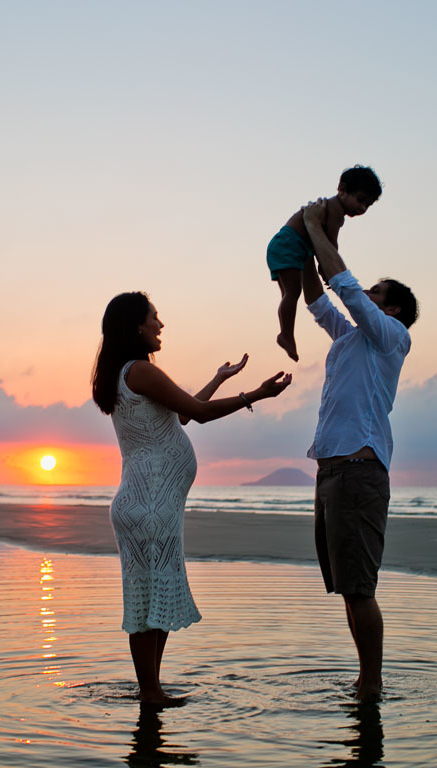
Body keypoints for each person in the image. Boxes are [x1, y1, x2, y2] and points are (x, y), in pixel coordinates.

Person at [92, 291, 292, 706]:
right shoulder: (141, 371)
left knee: (154, 599)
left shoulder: (129, 374)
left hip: (148, 504)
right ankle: (150, 692)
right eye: (154, 317)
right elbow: (198, 414)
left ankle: (153, 691)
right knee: (149, 601)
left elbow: (182, 413)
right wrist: (255, 395)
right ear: (136, 326)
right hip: (149, 504)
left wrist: (221, 377)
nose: (160, 325)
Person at [299, 199, 418, 702]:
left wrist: (315, 226)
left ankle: (372, 685)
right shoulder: (350, 340)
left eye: (375, 293)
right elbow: (319, 299)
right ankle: (364, 682)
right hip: (332, 475)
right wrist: (309, 244)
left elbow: (344, 286)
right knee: (348, 589)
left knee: (361, 588)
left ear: (388, 308)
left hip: (358, 472)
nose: (364, 293)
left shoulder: (392, 336)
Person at [266, 165, 382, 362]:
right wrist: (328, 272)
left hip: (287, 245)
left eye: (367, 205)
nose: (362, 208)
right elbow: (330, 245)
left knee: (289, 294)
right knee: (292, 294)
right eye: (360, 200)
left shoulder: (328, 208)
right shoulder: (335, 211)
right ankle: (286, 334)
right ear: (342, 189)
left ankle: (286, 333)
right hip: (290, 246)